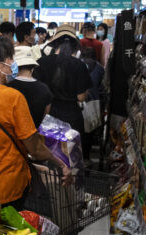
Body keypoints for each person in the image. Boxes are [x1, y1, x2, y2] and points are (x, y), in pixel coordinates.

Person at [0, 35, 72, 208]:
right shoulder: (12, 97)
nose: (13, 65)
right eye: (10, 60)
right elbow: (34, 147)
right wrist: (60, 163)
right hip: (5, 187)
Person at [33, 25, 93, 159]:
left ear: (54, 43)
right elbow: (81, 97)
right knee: (70, 157)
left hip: (46, 115)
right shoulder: (79, 65)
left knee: (49, 156)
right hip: (71, 117)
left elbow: (37, 91)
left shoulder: (41, 63)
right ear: (74, 45)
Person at [7, 46, 53, 127]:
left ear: (14, 66)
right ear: (33, 67)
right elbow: (45, 117)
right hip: (34, 135)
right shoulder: (45, 89)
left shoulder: (7, 87)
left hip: (11, 137)